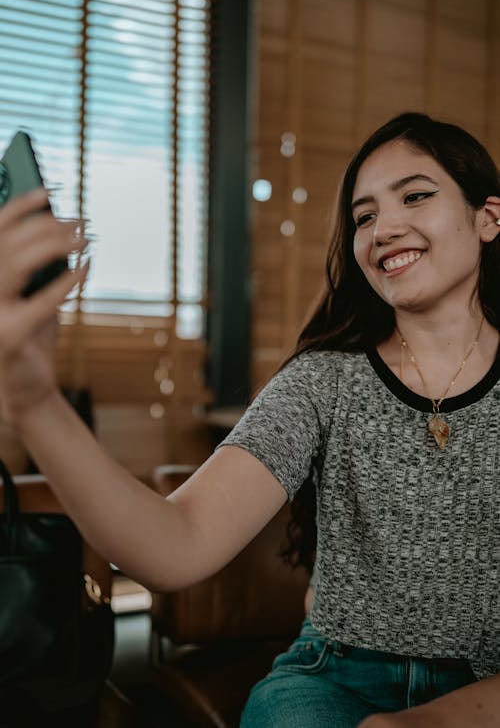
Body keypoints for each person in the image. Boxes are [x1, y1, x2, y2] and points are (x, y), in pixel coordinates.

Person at [1, 112, 500, 728]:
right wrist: (33, 401)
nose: (384, 229)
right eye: (364, 216)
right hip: (334, 679)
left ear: (489, 218)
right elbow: (175, 546)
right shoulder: (324, 381)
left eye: (416, 196)